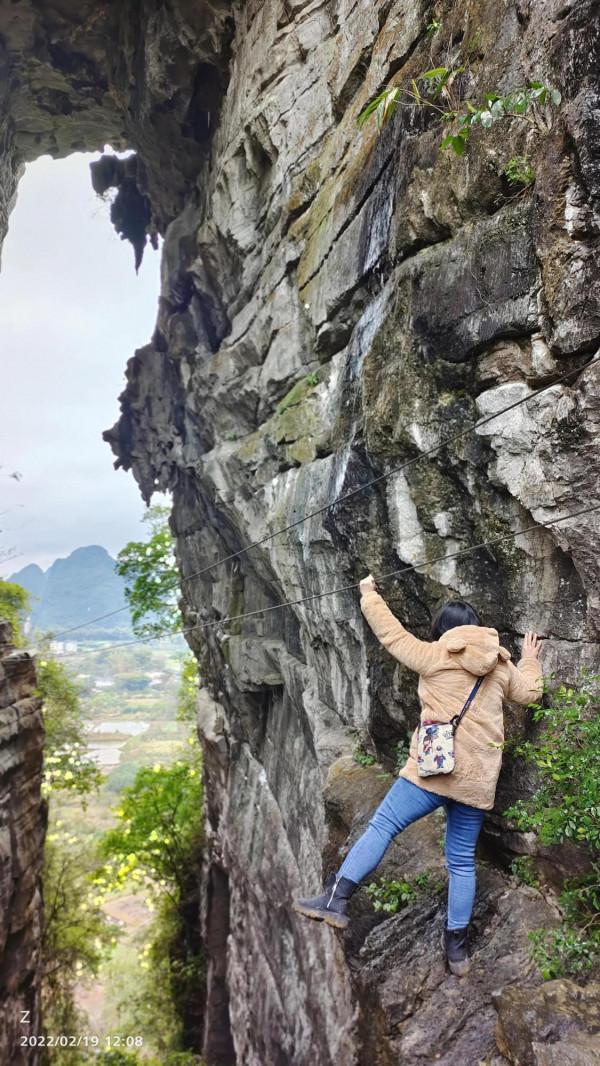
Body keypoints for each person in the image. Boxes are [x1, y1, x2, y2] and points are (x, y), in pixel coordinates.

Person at [293, 574, 543, 975]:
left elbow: (391, 635)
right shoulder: (501, 667)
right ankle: (457, 951)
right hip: (476, 783)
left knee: (384, 826)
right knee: (461, 861)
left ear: (444, 631)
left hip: (432, 772)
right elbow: (531, 694)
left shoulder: (436, 655)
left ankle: (334, 901)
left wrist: (369, 594)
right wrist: (529, 657)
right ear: (479, 628)